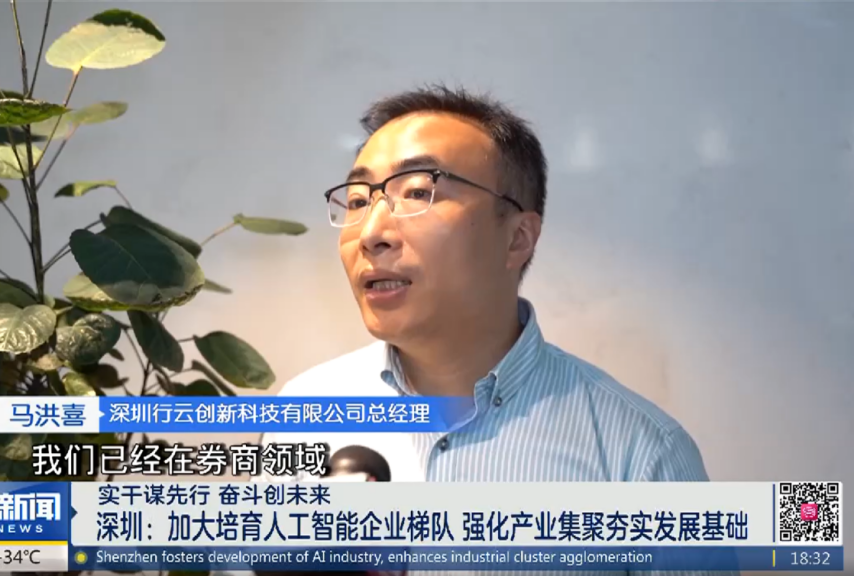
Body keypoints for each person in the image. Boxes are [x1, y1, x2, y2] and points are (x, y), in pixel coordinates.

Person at [267, 84, 712, 487]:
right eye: (358, 200)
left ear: (517, 238)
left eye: (418, 192)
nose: (370, 234)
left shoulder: (641, 456)